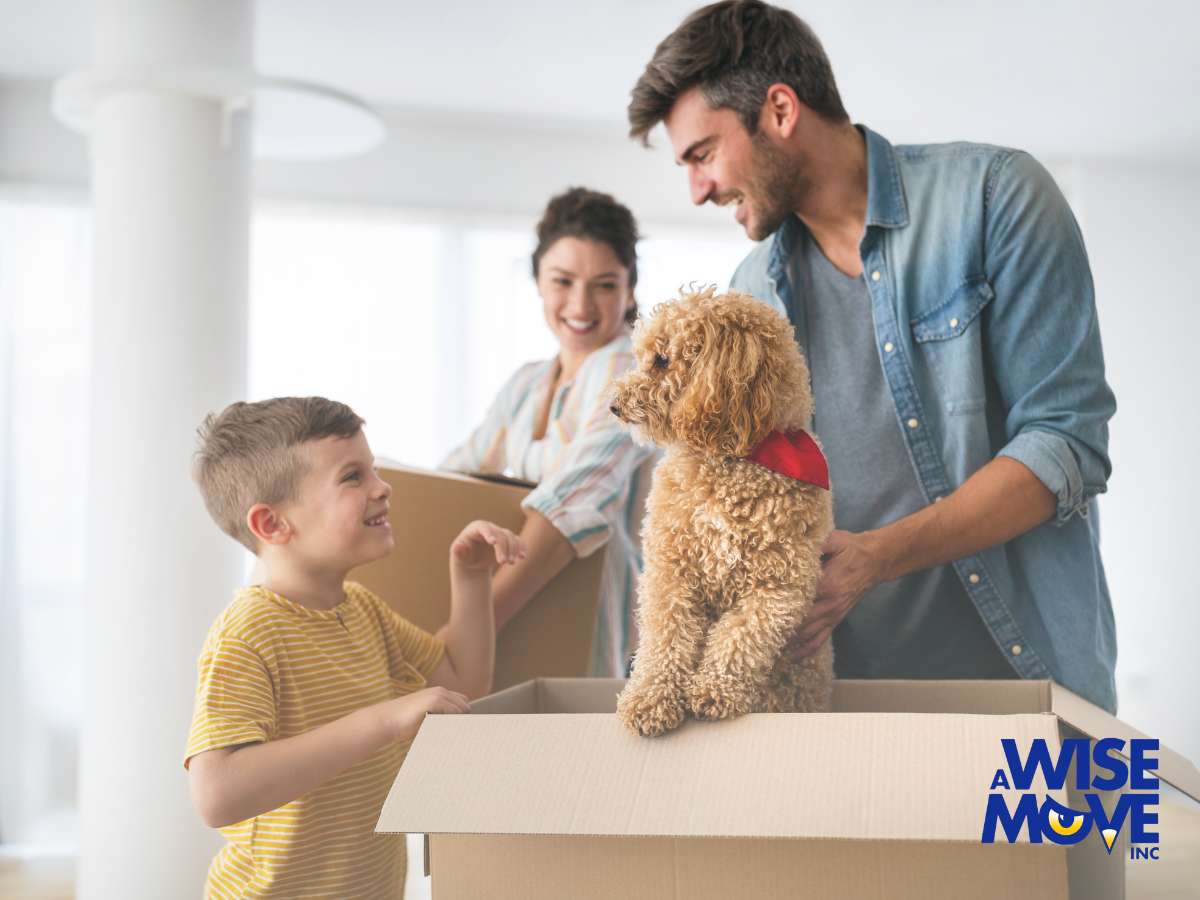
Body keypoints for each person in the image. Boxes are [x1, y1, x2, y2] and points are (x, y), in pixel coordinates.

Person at [627, 0, 1119, 712]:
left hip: (1035, 688)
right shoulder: (750, 293)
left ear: (781, 110)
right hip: (837, 701)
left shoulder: (998, 197)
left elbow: (1068, 444)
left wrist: (875, 558)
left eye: (703, 154)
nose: (698, 189)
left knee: (1111, 828)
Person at [184, 396, 524, 897]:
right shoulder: (248, 632)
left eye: (374, 470)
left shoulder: (363, 610)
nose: (382, 487)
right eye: (352, 477)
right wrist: (383, 720)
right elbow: (217, 794)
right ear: (272, 524)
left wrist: (471, 577)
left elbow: (464, 680)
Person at [442, 187, 658, 678]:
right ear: (538, 281)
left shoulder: (637, 376)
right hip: (537, 622)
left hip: (610, 638)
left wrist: (462, 635)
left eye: (605, 285)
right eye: (563, 281)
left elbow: (570, 503)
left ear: (629, 291)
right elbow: (457, 476)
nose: (581, 304)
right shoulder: (526, 382)